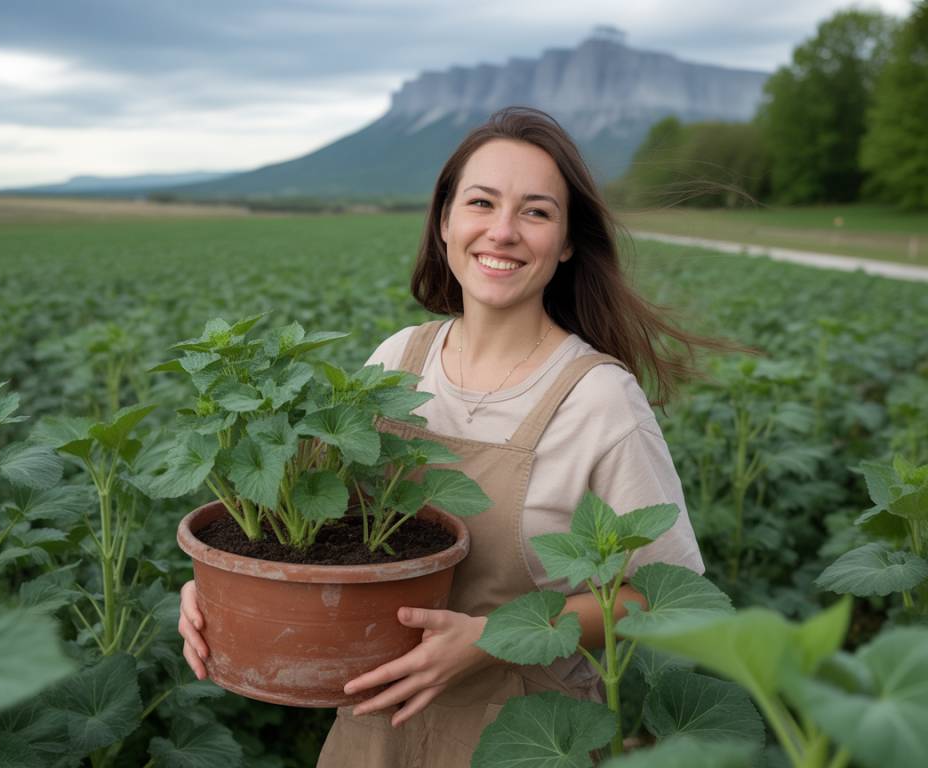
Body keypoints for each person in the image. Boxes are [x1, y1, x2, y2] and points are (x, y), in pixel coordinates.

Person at [178, 106, 711, 766]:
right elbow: (316, 530)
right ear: (444, 221)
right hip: (376, 733)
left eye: (537, 212)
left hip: (529, 738)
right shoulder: (398, 361)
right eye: (481, 203)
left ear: (568, 241)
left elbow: (659, 595)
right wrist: (226, 587)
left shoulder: (599, 400)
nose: (503, 231)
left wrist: (494, 638)